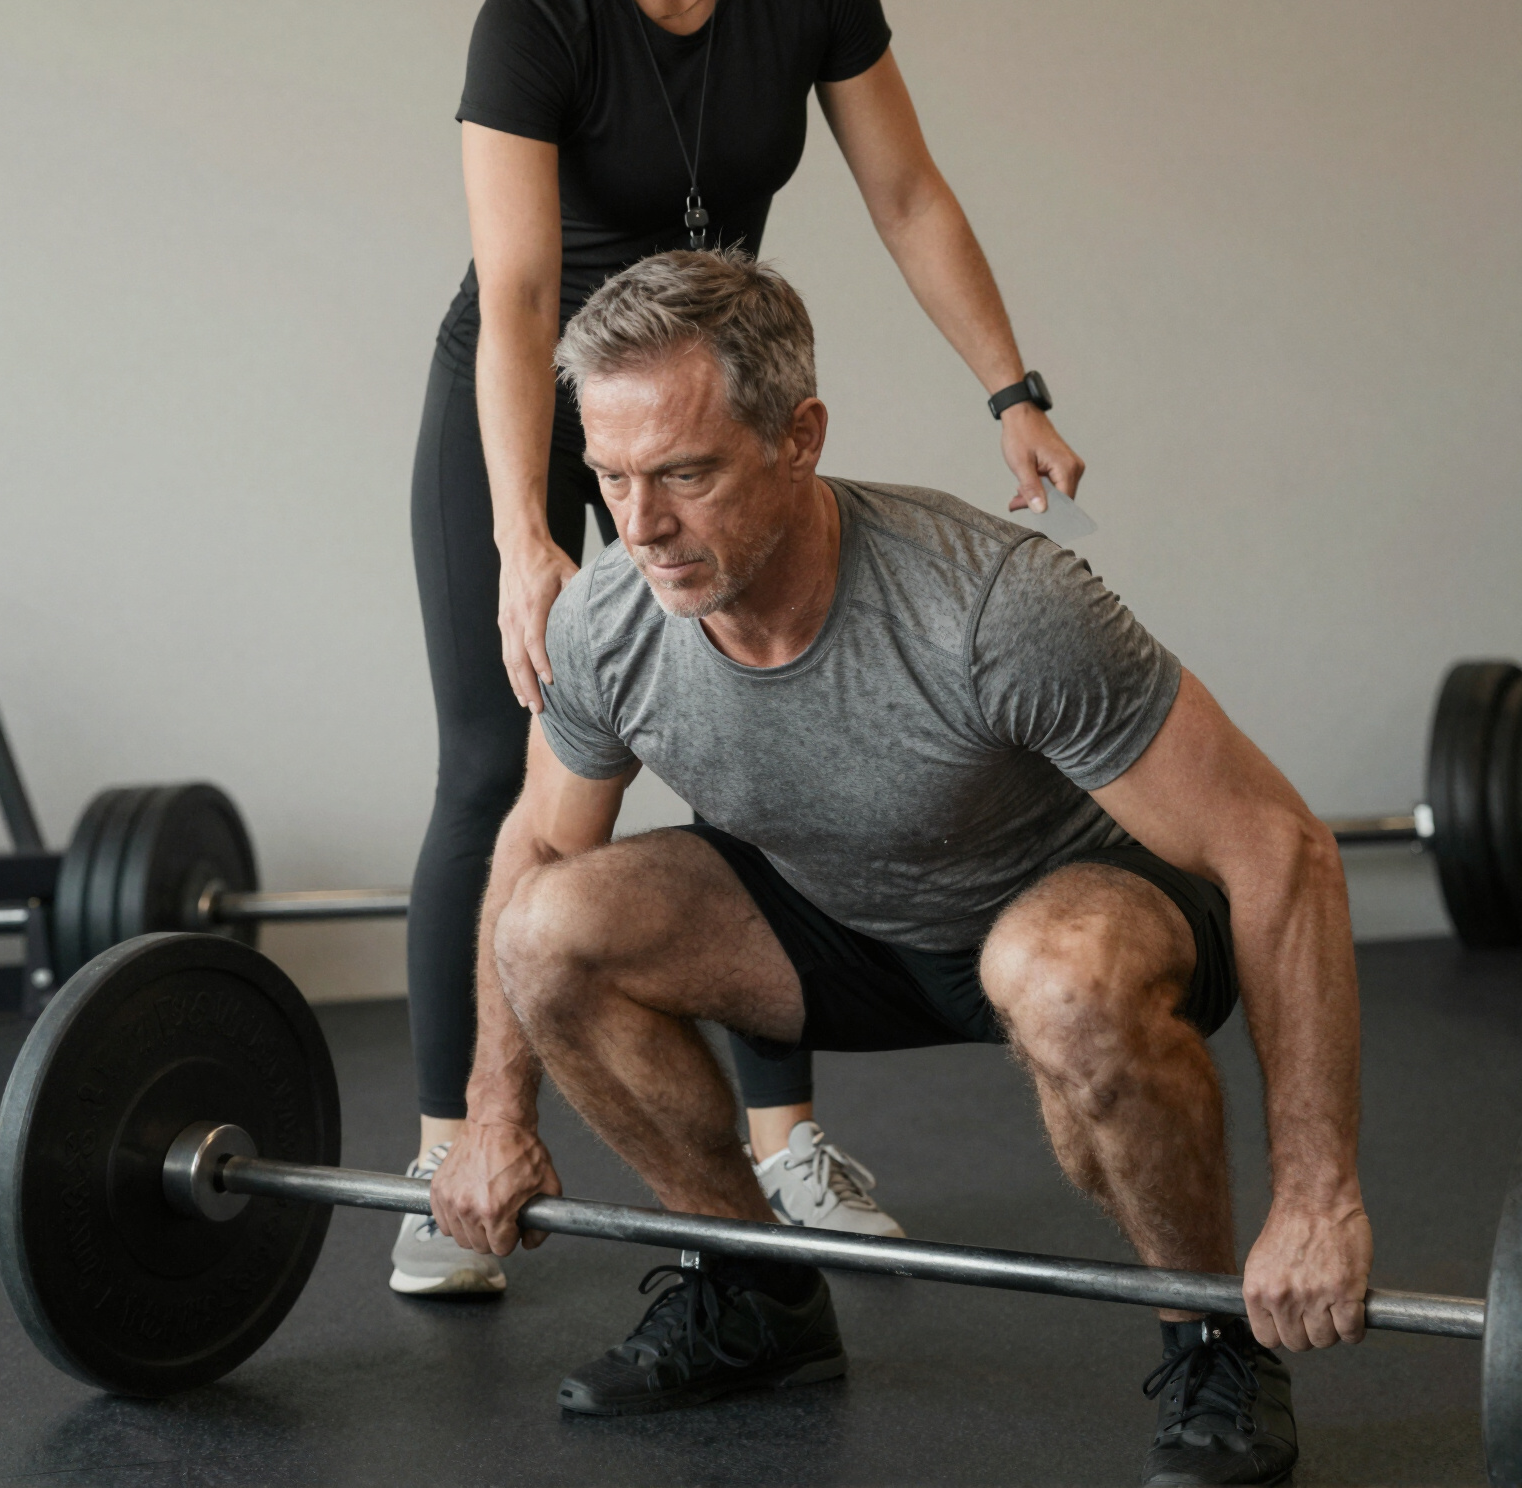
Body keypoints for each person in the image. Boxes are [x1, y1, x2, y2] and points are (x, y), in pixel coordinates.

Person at [430, 250, 1368, 1488]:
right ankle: (755, 1289)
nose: (640, 524)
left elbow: (1281, 847)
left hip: (1078, 914)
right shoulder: (613, 618)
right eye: (611, 477)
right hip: (836, 918)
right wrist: (493, 1117)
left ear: (800, 436)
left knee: (1056, 971)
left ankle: (1211, 1341)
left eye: (686, 473)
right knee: (547, 925)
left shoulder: (990, 607)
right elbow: (543, 843)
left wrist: (1317, 1190)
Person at [394, 0, 1086, 1293]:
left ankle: (784, 1148)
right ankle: (447, 1165)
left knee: (753, 741)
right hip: (534, 392)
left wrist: (1010, 386)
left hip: (705, 393)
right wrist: (524, 536)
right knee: (493, 764)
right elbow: (518, 297)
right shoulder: (537, 14)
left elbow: (907, 191)